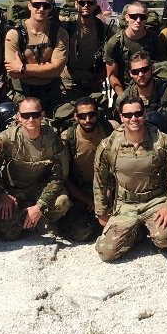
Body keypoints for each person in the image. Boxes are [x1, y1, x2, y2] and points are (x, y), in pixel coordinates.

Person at [93, 96, 167, 262]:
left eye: (138, 113)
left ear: (144, 114)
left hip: (155, 201)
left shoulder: (162, 141)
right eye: (128, 115)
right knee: (106, 253)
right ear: (121, 117)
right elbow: (100, 179)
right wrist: (101, 211)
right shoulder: (109, 144)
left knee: (165, 239)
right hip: (126, 204)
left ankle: (147, 228)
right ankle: (137, 231)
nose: (133, 119)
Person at [0, 97, 70, 242]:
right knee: (10, 234)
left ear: (42, 115)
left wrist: (40, 206)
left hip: (38, 189)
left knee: (62, 202)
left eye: (35, 114)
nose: (31, 119)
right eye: (25, 115)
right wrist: (2, 193)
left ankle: (39, 217)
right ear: (18, 117)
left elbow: (58, 177)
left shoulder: (52, 139)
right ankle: (27, 219)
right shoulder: (3, 139)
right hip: (13, 190)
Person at [57, 97, 118, 242]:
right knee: (81, 233)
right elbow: (65, 178)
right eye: (82, 116)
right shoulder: (68, 138)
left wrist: (110, 192)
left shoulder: (112, 129)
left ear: (98, 114)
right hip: (82, 191)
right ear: (75, 117)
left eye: (92, 115)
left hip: (111, 188)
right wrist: (90, 201)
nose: (88, 119)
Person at [117, 50, 167, 149]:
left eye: (145, 69)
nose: (141, 75)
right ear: (130, 74)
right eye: (135, 72)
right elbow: (122, 131)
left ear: (152, 69)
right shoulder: (124, 100)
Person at [103, 0, 167, 94]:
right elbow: (112, 75)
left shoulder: (154, 40)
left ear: (146, 19)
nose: (138, 20)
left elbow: (163, 69)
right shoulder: (115, 43)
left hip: (152, 91)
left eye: (142, 17)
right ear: (127, 17)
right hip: (125, 91)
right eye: (134, 16)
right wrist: (123, 97)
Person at [62, 0, 107, 99]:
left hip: (93, 84)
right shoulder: (67, 25)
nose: (86, 5)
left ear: (95, 4)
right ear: (76, 4)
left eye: (90, 3)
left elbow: (113, 56)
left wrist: (102, 75)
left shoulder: (103, 28)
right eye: (82, 2)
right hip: (68, 83)